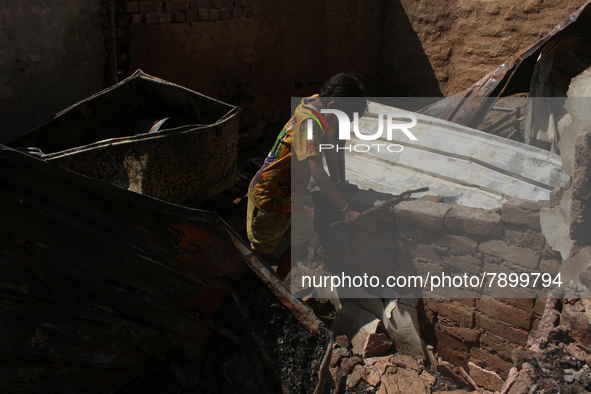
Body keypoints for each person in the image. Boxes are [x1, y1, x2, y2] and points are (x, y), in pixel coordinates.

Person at [247, 73, 367, 279]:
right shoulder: (308, 125)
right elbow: (317, 171)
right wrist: (344, 209)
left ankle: (277, 283)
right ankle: (263, 290)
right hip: (271, 194)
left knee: (301, 241)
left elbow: (329, 142)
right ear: (331, 106)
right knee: (264, 251)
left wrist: (338, 182)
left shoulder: (318, 105)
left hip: (291, 194)